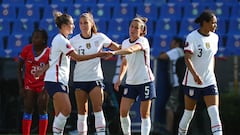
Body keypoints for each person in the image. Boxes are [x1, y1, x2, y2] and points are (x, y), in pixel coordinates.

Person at [44, 11, 110, 135]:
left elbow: (52, 59)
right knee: (67, 110)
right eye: (73, 24)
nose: (74, 26)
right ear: (64, 25)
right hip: (56, 79)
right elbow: (78, 57)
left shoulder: (63, 40)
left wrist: (41, 71)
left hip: (60, 79)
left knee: (60, 114)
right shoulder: (63, 41)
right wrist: (100, 54)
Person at [69, 12, 121, 135]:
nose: (83, 25)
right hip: (79, 79)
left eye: (86, 22)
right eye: (81, 23)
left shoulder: (100, 37)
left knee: (98, 109)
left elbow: (116, 47)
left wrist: (131, 47)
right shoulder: (74, 41)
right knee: (82, 112)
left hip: (95, 78)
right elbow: (62, 53)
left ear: (91, 23)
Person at [178, 10, 223, 135]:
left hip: (209, 81)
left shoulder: (215, 38)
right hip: (192, 81)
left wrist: (209, 74)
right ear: (204, 23)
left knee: (214, 113)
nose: (215, 26)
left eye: (216, 23)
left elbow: (211, 57)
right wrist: (195, 75)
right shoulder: (192, 37)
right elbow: (187, 58)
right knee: (188, 114)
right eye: (213, 23)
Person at [112, 16, 156, 135]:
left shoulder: (143, 41)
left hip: (145, 81)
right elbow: (125, 62)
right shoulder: (125, 42)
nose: (133, 29)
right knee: (123, 111)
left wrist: (114, 52)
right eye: (132, 26)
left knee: (144, 114)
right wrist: (119, 79)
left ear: (142, 31)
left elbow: (131, 50)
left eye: (136, 28)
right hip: (131, 82)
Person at [17, 28, 50, 135]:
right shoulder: (27, 49)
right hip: (29, 84)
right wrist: (21, 86)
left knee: (42, 109)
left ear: (44, 40)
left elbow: (52, 69)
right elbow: (19, 68)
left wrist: (47, 88)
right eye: (33, 36)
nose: (34, 39)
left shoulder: (49, 52)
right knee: (28, 108)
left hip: (43, 85)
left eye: (37, 37)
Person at [158, 37, 185, 135]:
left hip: (177, 85)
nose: (170, 44)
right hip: (181, 84)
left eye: (172, 42)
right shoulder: (182, 52)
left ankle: (169, 131)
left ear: (176, 43)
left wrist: (161, 53)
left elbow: (163, 57)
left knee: (169, 107)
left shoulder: (176, 51)